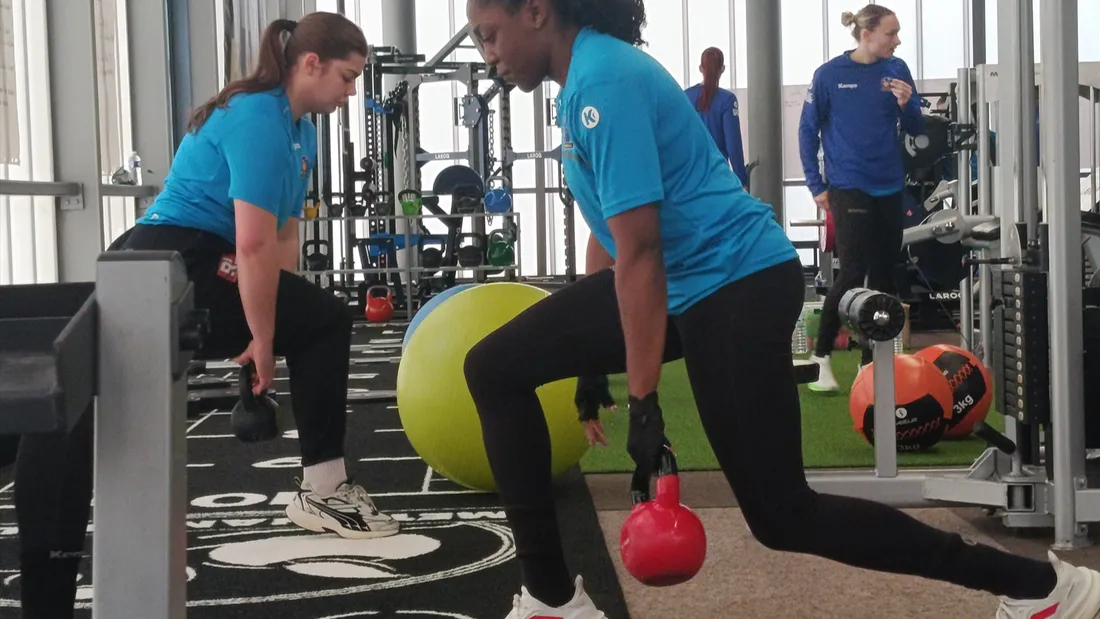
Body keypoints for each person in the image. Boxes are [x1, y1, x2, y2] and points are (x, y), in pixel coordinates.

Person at [462, 1, 1100, 619]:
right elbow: (611, 226)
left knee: (782, 515)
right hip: (680, 281)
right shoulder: (578, 85)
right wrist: (590, 361)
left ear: (537, 11)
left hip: (735, 284)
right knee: (494, 367)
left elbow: (642, 250)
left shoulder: (603, 80)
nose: (488, 57)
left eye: (490, 35)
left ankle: (1042, 585)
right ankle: (551, 602)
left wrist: (644, 402)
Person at [112, 12, 398, 540]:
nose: (352, 92)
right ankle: (325, 492)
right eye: (348, 76)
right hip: (169, 257)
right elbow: (251, 242)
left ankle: (325, 489)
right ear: (311, 64)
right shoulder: (257, 118)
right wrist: (263, 336)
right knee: (331, 319)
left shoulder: (300, 132)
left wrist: (278, 319)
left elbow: (282, 237)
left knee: (318, 318)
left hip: (207, 255)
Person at [798, 4, 924, 392]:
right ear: (866, 33)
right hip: (848, 185)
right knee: (853, 271)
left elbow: (917, 130)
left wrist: (908, 106)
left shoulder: (897, 70)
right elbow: (807, 132)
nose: (898, 40)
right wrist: (815, 184)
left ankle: (872, 365)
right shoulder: (829, 75)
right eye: (891, 33)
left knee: (886, 276)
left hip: (889, 185)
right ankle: (821, 359)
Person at [684, 47, 748, 189]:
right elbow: (733, 145)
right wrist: (742, 180)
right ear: (723, 69)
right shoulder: (727, 100)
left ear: (701, 68)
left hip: (689, 177)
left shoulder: (685, 96)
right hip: (716, 177)